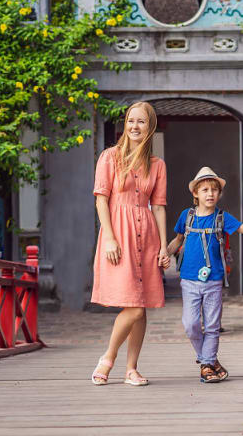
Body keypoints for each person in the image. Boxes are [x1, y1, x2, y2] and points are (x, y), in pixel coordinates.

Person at [166, 167, 243, 383]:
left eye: (214, 190)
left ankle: (206, 366)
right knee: (190, 324)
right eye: (205, 190)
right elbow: (178, 240)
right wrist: (163, 254)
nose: (210, 194)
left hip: (213, 280)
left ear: (219, 194)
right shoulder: (187, 216)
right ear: (195, 193)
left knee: (211, 325)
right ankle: (208, 360)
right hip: (189, 280)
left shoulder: (222, 218)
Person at [90, 101, 169, 387]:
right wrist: (109, 236)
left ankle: (131, 369)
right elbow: (101, 199)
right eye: (131, 121)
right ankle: (108, 358)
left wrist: (162, 246)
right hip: (119, 235)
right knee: (133, 306)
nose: (135, 127)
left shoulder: (157, 165)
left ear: (150, 127)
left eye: (142, 122)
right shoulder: (110, 157)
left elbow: (158, 206)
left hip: (147, 237)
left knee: (142, 305)